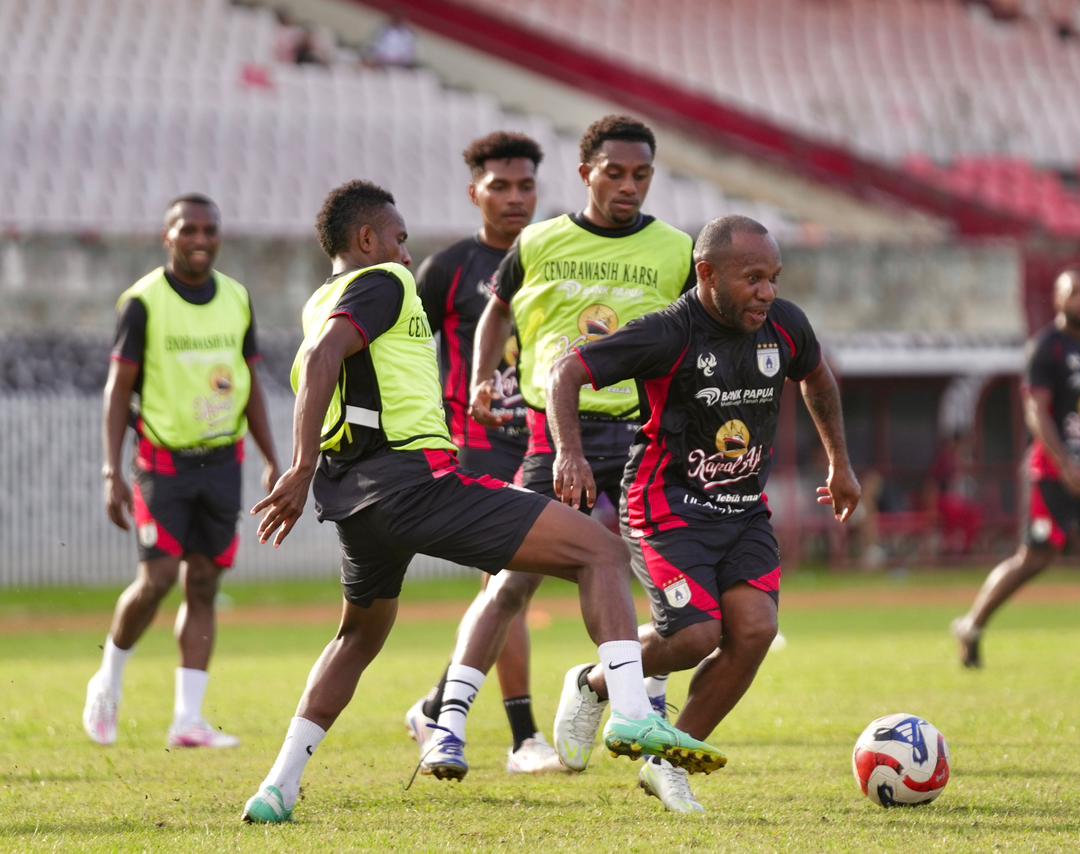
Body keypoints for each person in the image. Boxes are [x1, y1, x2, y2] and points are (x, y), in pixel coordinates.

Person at [241, 180, 721, 824]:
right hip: (416, 483)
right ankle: (632, 715)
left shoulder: (318, 300)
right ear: (366, 240)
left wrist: (311, 471)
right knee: (600, 553)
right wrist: (297, 466)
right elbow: (331, 353)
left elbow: (328, 364)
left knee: (357, 636)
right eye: (399, 238)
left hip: (357, 502)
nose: (407, 254)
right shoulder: (382, 282)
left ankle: (278, 786)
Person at [409, 115, 696, 779]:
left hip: (635, 438)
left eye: (641, 175)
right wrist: (483, 374)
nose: (628, 186)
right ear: (585, 173)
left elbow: (694, 334)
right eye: (615, 173)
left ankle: (630, 701)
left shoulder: (676, 250)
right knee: (510, 583)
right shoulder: (538, 243)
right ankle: (447, 728)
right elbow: (498, 310)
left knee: (669, 583)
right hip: (550, 438)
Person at [545, 215, 859, 813]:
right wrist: (570, 453)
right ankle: (594, 683)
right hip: (666, 503)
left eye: (773, 278)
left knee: (755, 631)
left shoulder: (785, 326)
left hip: (742, 511)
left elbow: (818, 380)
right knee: (693, 636)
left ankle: (669, 761)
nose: (768, 292)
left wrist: (839, 462)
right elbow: (568, 372)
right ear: (707, 273)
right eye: (753, 278)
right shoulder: (668, 332)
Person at [84, 194, 280, 749]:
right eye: (187, 228)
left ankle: (188, 721)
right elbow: (118, 389)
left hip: (222, 461)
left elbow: (250, 382)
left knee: (204, 582)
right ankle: (109, 680)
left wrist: (272, 457)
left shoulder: (238, 298)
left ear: (219, 236)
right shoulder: (143, 301)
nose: (200, 238)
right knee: (159, 579)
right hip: (162, 463)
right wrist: (110, 471)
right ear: (167, 236)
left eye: (209, 229)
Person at [403, 131, 562, 774]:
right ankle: (523, 736)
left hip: (551, 440)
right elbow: (403, 350)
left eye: (526, 185)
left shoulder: (558, 258)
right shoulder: (446, 271)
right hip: (477, 445)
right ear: (475, 192)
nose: (515, 197)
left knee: (514, 587)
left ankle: (437, 706)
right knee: (509, 582)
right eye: (501, 185)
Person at [950, 268, 1080, 670]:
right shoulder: (1045, 348)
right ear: (1058, 299)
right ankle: (973, 625)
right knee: (1036, 557)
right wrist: (1066, 465)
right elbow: (1036, 411)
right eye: (1075, 293)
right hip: (1051, 471)